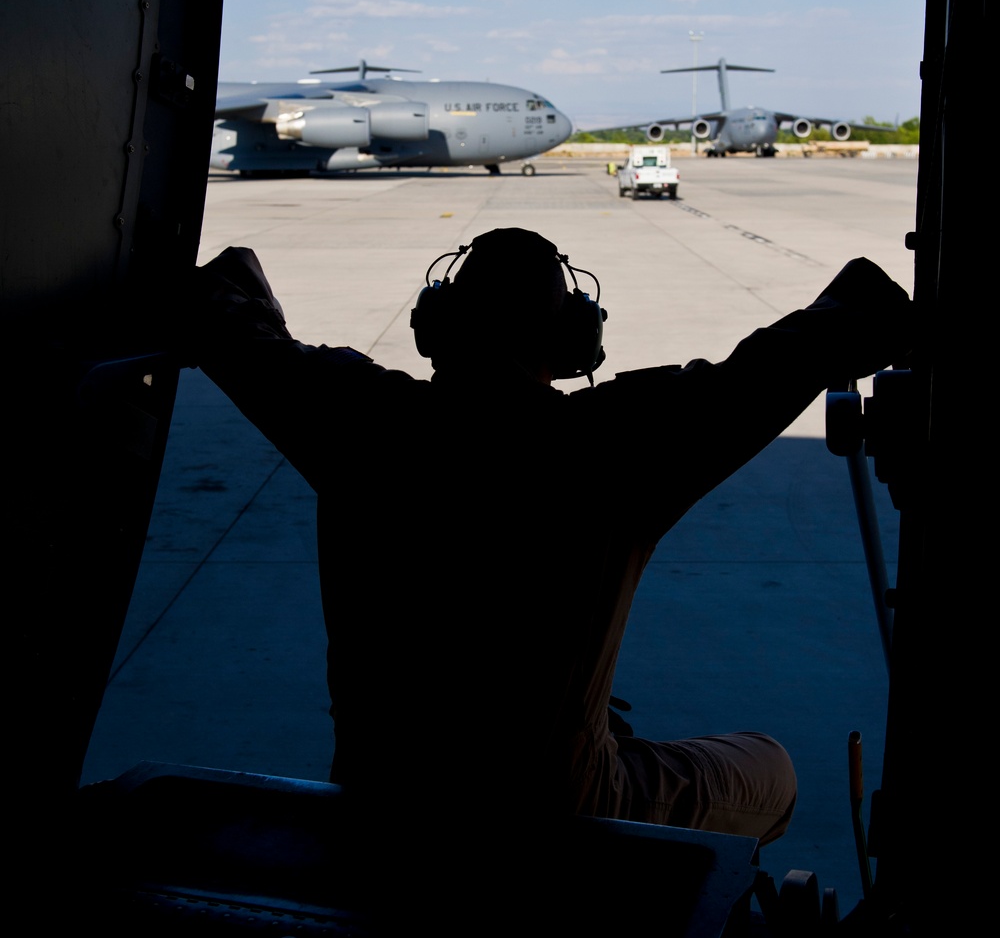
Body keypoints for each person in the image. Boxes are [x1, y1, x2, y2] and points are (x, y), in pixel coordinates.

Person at [187, 228, 911, 853]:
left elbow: (223, 307)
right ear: (573, 343)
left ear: (434, 328)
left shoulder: (351, 415)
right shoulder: (617, 440)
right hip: (563, 809)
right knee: (772, 769)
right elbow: (802, 348)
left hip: (379, 800)